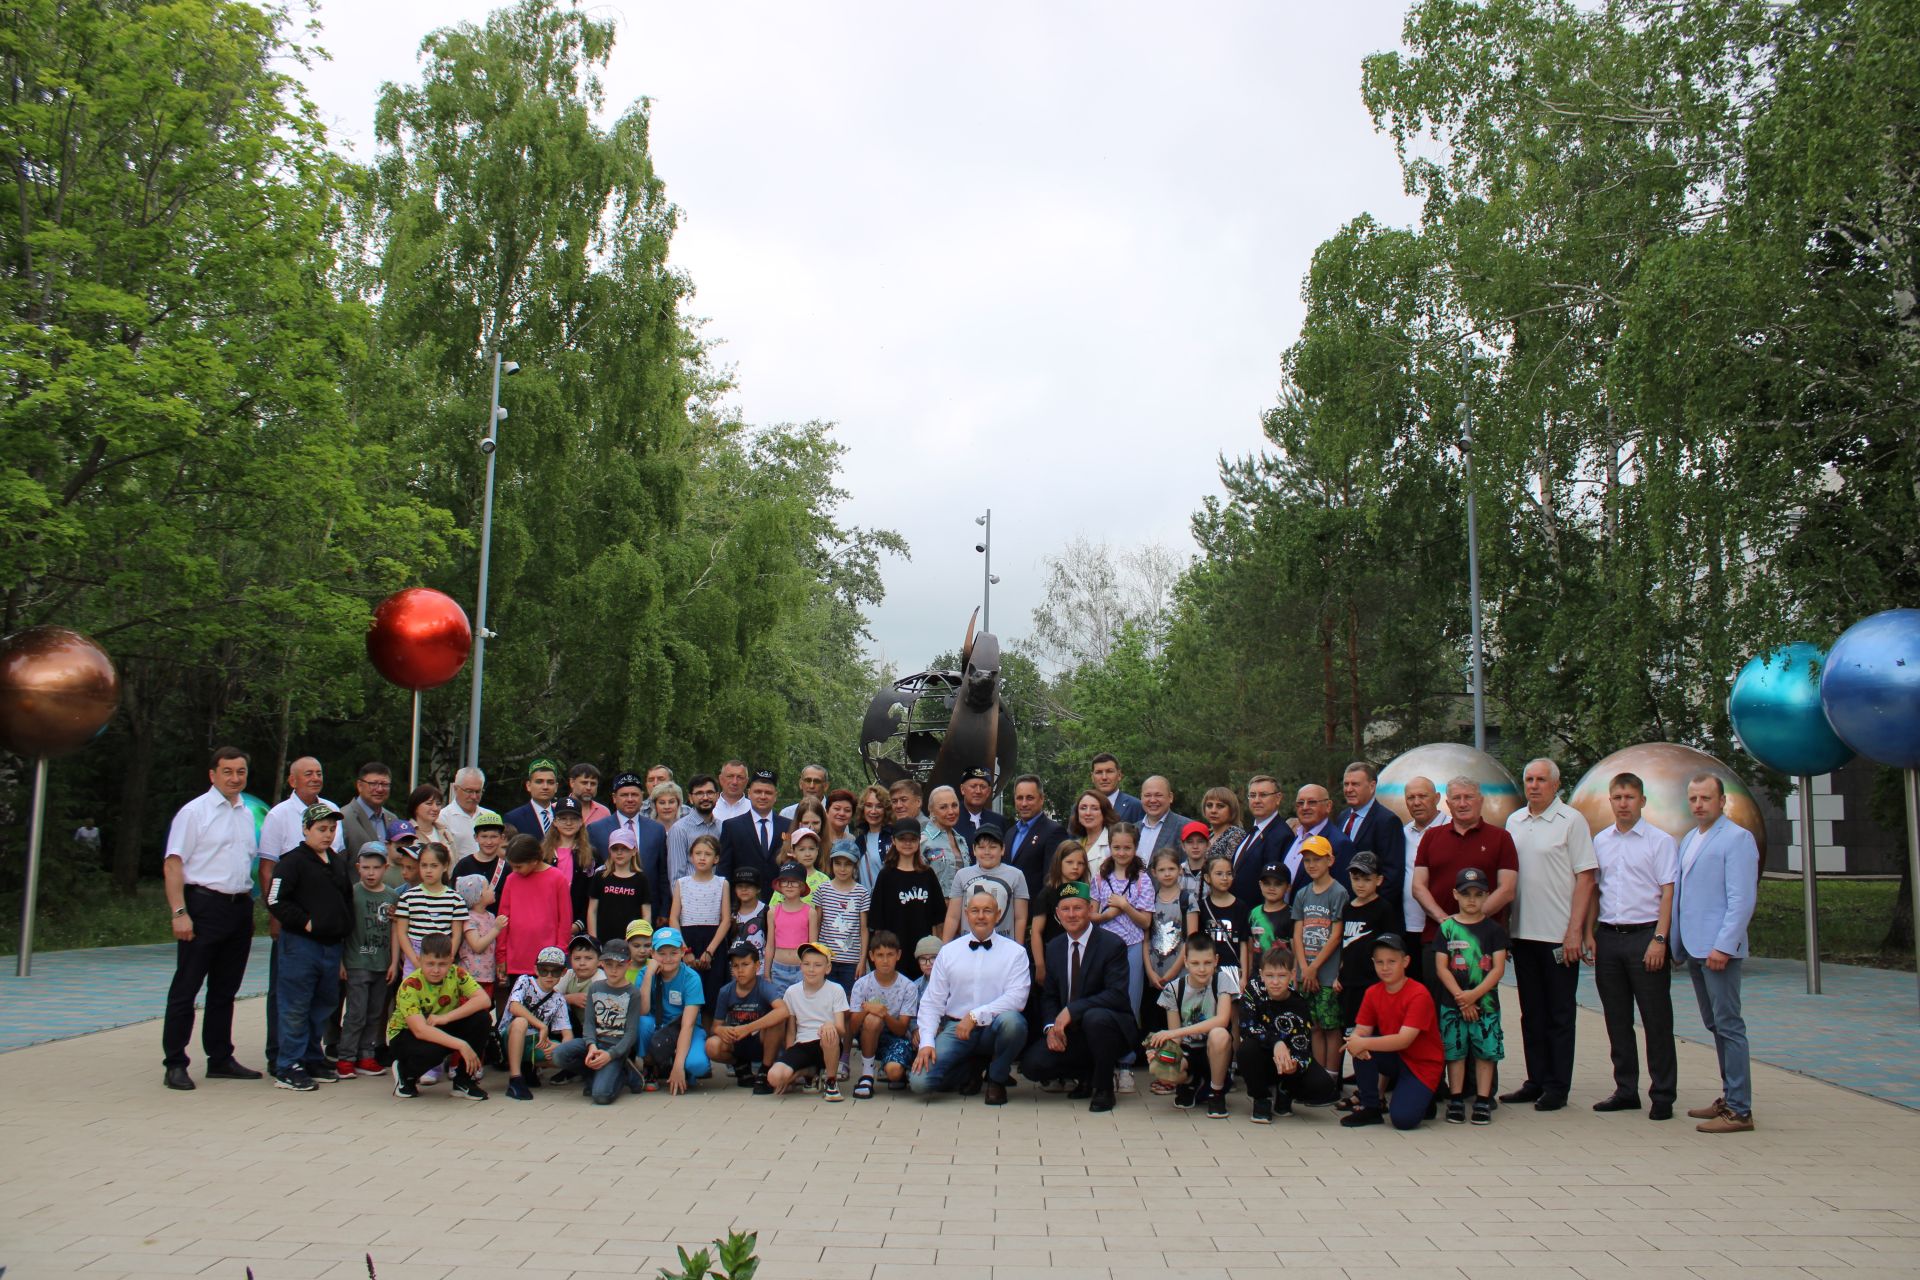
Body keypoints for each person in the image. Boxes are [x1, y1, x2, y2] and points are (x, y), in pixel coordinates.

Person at [161, 746, 265, 1091]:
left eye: (240, 771)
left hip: (237, 908)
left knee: (225, 989)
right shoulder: (195, 812)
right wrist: (180, 912)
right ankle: (175, 1062)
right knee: (186, 987)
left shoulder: (245, 813)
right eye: (228, 772)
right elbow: (173, 863)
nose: (235, 778)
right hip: (203, 906)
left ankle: (220, 1058)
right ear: (212, 775)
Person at [1504, 757, 1598, 1112]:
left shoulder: (1571, 821)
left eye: (1541, 779)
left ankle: (1558, 1086)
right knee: (1531, 1013)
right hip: (1523, 934)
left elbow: (1586, 878)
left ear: (1556, 785)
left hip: (1559, 935)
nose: (1533, 785)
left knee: (1560, 1014)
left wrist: (1575, 931)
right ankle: (1535, 1080)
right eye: (1529, 778)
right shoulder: (1515, 820)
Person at [1586, 771, 1679, 1121]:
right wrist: (1589, 933)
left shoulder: (1659, 841)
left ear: (1642, 801)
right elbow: (1595, 889)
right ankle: (1626, 1089)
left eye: (1629, 797)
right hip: (1610, 935)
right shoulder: (1601, 841)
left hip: (1646, 936)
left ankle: (1663, 1094)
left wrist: (1660, 938)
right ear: (1610, 801)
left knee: (1656, 1019)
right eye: (1617, 797)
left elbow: (1668, 892)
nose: (1623, 804)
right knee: (1617, 1019)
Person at [1674, 773, 1759, 1133]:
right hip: (1695, 947)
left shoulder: (1738, 839)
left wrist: (1724, 945)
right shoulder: (1691, 838)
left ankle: (1740, 1110)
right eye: (1693, 799)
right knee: (1715, 1024)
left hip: (1717, 949)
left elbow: (1742, 899)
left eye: (1706, 798)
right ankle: (1729, 1096)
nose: (1698, 805)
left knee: (1729, 1025)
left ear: (1721, 801)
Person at [255, 756, 343, 1075]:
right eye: (308, 773)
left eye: (319, 772)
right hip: (298, 935)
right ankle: (284, 1059)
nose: (315, 778)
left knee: (321, 1002)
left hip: (328, 941)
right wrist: (284, 918)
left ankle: (310, 1057)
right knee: (291, 998)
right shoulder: (281, 822)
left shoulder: (333, 856)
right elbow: (268, 870)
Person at [1020, 880, 1137, 1112]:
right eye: (1066, 909)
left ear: (1090, 909)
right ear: (1057, 914)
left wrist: (1073, 1010)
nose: (1072, 914)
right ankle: (1085, 1075)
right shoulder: (1054, 947)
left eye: (1078, 908)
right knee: (1032, 1066)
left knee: (1095, 1018)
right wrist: (1051, 1028)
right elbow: (1050, 996)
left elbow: (1116, 995)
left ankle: (1103, 1087)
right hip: (1071, 1030)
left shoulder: (1112, 945)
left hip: (1109, 1026)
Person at [911, 887, 1031, 1104]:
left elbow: (1017, 998)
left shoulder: (1015, 952)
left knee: (1014, 1023)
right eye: (975, 910)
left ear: (999, 914)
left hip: (995, 1027)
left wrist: (976, 1015)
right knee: (920, 1083)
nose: (981, 916)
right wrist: (927, 1042)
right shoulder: (949, 952)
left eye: (987, 910)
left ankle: (996, 1078)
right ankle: (970, 1068)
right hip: (956, 1029)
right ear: (966, 914)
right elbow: (932, 1001)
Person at [1412, 776, 1519, 1019]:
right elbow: (1418, 886)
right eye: (1457, 798)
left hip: (1483, 944)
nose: (1462, 803)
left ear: (1480, 801)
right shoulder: (1431, 837)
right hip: (1437, 939)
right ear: (1448, 804)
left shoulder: (1500, 838)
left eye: (1468, 797)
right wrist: (1448, 923)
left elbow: (1507, 889)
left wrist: (1470, 922)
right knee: (1438, 1016)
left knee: (1479, 1017)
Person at [265, 804, 353, 1092]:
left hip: (331, 947)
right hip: (301, 946)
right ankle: (287, 1064)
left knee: (323, 1004)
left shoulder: (337, 863)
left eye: (331, 829)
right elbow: (275, 899)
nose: (327, 835)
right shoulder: (292, 862)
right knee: (295, 1005)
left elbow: (346, 901)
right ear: (305, 830)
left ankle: (312, 1057)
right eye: (321, 829)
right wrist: (305, 922)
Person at [1338, 933, 1443, 1130]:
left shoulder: (1418, 994)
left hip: (1421, 1064)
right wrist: (1355, 1040)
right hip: (1396, 1058)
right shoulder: (1373, 992)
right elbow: (1362, 1029)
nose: (1385, 967)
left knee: (1403, 1121)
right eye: (1380, 962)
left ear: (1406, 961)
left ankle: (1425, 1097)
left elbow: (1404, 1040)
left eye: (1391, 961)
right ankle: (1371, 1107)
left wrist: (1362, 1042)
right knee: (1358, 1047)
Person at [1435, 867, 1509, 1126]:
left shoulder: (1494, 930)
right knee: (1455, 1051)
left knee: (1485, 1052)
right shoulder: (1447, 928)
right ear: (1455, 894)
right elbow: (1442, 967)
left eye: (1478, 894)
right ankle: (1455, 1098)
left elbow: (1498, 968)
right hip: (1453, 1003)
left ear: (1487, 896)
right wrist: (1460, 996)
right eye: (1466, 894)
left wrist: (1475, 995)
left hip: (1486, 1004)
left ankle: (1482, 1098)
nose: (1472, 900)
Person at [1238, 945, 1338, 1122]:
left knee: (1324, 1086)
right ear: (1261, 975)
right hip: (1262, 1055)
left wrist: (1294, 1066)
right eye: (1270, 976)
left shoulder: (1299, 1004)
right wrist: (1276, 1042)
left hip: (1287, 1060)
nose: (1275, 982)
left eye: (1281, 976)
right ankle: (1261, 1098)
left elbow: (1303, 1048)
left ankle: (1286, 1090)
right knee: (1246, 1049)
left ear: (1292, 975)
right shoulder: (1253, 990)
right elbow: (1247, 1027)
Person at [386, 933, 492, 1101]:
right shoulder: (410, 985)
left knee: (482, 1019)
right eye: (430, 964)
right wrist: (461, 1044)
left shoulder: (456, 973)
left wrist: (447, 1017)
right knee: (433, 1051)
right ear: (420, 959)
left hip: (438, 1024)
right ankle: (405, 1073)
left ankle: (463, 1081)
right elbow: (420, 1030)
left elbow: (483, 1000)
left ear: (451, 959)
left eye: (442, 964)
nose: (436, 970)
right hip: (405, 1035)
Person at [1148, 931, 1240, 1118]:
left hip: (1214, 1052)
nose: (1202, 969)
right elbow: (1177, 1037)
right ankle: (1189, 1081)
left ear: (1216, 960)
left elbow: (1222, 1019)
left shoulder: (1222, 980)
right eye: (1196, 963)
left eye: (1207, 963)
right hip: (1189, 1052)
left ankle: (1216, 1092)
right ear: (1186, 962)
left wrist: (1174, 1033)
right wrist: (1161, 1054)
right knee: (1159, 1066)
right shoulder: (1173, 989)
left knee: (1219, 1034)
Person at [1089, 823, 1153, 1090]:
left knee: (1130, 1005)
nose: (1122, 852)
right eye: (1117, 847)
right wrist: (1107, 915)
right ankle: (1105, 1062)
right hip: (1105, 948)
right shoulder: (1100, 877)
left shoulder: (1142, 879)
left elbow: (1146, 922)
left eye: (1127, 847)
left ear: (1135, 848)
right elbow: (1092, 914)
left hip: (1132, 947)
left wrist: (1125, 906)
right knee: (1104, 1004)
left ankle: (1126, 1064)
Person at [551, 937, 641, 1104]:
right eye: (609, 965)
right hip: (594, 1044)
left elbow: (630, 1034)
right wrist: (591, 1046)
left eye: (619, 965)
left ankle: (624, 1072)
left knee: (601, 1096)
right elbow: (590, 1023)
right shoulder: (596, 987)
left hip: (615, 1049)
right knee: (559, 1054)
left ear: (628, 964)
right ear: (602, 964)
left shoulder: (633, 993)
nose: (614, 970)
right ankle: (592, 1073)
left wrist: (610, 1054)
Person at [338, 844, 399, 1080]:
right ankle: (346, 1057)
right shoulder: (352, 894)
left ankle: (367, 1054)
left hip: (381, 964)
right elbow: (344, 929)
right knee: (356, 1012)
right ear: (358, 868)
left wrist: (394, 962)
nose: (371, 873)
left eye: (376, 868)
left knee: (375, 1013)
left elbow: (395, 930)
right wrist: (341, 961)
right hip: (357, 962)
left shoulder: (392, 896)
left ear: (385, 867)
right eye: (365, 868)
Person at [1290, 836, 1349, 1072]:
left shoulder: (1338, 892)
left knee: (1331, 1026)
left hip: (1326, 973)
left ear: (1330, 860)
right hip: (1307, 972)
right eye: (1307, 861)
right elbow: (1297, 934)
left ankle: (1331, 1075)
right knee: (1313, 1024)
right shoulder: (1303, 894)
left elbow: (1336, 936)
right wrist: (1304, 968)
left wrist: (1315, 968)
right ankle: (1317, 1074)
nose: (1312, 865)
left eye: (1317, 859)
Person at [763, 942, 850, 1100]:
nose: (811, 969)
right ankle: (810, 1072)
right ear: (800, 966)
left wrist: (830, 1026)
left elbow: (841, 1028)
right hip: (802, 1044)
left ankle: (831, 1082)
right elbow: (791, 1031)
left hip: (828, 1042)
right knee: (774, 1077)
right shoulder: (792, 992)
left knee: (828, 1033)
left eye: (817, 965)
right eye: (807, 964)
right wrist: (791, 1062)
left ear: (827, 968)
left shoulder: (836, 990)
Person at [494, 834, 573, 997]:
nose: (514, 870)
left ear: (534, 860)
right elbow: (503, 918)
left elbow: (564, 920)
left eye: (519, 866)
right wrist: (501, 955)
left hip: (546, 962)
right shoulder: (511, 879)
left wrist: (559, 953)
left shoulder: (557, 878)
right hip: (516, 959)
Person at [635, 926, 712, 1093]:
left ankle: (678, 1065)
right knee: (641, 1022)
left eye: (673, 952)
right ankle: (650, 1065)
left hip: (683, 1028)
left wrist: (678, 1066)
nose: (668, 958)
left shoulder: (691, 978)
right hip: (657, 1026)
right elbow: (642, 1010)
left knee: (697, 1065)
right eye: (661, 953)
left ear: (683, 952)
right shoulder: (645, 973)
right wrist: (649, 975)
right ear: (652, 954)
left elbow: (688, 1025)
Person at [1334, 851, 1398, 1045]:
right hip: (1349, 982)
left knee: (1373, 1033)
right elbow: (1344, 945)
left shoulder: (1383, 908)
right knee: (1351, 1033)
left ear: (1378, 880)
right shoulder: (1348, 908)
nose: (1360, 884)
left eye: (1366, 879)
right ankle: (1357, 1074)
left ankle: (1375, 1075)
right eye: (1356, 878)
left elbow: (1391, 946)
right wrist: (1339, 973)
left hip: (1372, 982)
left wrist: (1387, 979)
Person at [588, 772, 670, 921]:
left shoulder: (657, 830)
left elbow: (662, 873)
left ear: (642, 797)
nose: (630, 799)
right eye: (624, 795)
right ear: (614, 798)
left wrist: (664, 911)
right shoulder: (596, 830)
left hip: (648, 909)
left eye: (635, 794)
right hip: (609, 909)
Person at [848, 931, 920, 1097]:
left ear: (898, 955)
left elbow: (902, 1030)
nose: (885, 960)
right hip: (869, 1034)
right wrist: (867, 1009)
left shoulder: (908, 987)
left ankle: (900, 1070)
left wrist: (884, 1014)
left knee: (894, 1073)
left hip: (896, 1037)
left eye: (890, 955)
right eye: (880, 955)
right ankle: (867, 1074)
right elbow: (852, 1027)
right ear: (871, 956)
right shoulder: (862, 984)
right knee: (872, 1020)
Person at [870, 828, 947, 979]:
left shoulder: (927, 874)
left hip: (924, 951)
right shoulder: (886, 875)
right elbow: (877, 922)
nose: (907, 843)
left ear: (919, 842)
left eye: (912, 839)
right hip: (894, 950)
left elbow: (939, 920)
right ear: (893, 841)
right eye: (902, 839)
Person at [1142, 847, 1189, 1088]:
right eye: (1162, 869)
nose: (1167, 873)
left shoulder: (1186, 899)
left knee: (1175, 1026)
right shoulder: (1150, 900)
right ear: (1154, 872)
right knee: (1156, 1025)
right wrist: (1150, 971)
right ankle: (1160, 1072)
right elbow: (1146, 938)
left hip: (1178, 973)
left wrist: (1173, 972)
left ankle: (1175, 1074)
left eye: (1172, 868)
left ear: (1180, 870)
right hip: (1155, 973)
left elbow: (1189, 940)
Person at [501, 946, 574, 1100]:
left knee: (565, 1053)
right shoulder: (525, 981)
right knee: (521, 1022)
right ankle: (515, 1078)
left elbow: (568, 1035)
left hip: (535, 1042)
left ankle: (529, 1067)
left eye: (555, 971)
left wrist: (561, 1046)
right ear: (535, 969)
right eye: (543, 970)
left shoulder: (558, 999)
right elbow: (514, 1006)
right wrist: (541, 1025)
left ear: (563, 972)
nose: (549, 975)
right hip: (510, 1036)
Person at [1337, 762, 1407, 920]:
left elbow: (1392, 874)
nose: (1348, 789)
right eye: (1346, 784)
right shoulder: (1343, 817)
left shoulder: (1387, 821)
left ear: (1372, 785)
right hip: (1346, 909)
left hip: (1373, 914)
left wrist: (1370, 910)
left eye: (1355, 784)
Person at [708, 940, 782, 1089]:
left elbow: (783, 1010)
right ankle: (740, 1065)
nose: (740, 970)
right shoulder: (726, 991)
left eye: (745, 964)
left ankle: (764, 1070)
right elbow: (715, 1026)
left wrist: (748, 1028)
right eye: (735, 966)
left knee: (778, 1021)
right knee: (711, 1045)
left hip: (760, 1040)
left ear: (757, 966)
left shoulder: (764, 987)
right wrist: (721, 1030)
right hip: (737, 1039)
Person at [669, 833, 730, 1007]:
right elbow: (674, 918)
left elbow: (725, 920)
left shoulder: (722, 883)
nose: (702, 858)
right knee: (686, 992)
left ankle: (710, 1031)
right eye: (698, 853)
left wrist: (710, 952)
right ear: (691, 857)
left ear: (716, 858)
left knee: (712, 994)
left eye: (708, 854)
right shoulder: (682, 883)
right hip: (687, 940)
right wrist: (685, 950)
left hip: (713, 942)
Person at [945, 826, 1028, 943]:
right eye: (981, 847)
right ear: (974, 849)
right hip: (968, 942)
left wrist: (1019, 948)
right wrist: (944, 948)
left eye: (993, 847)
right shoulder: (961, 875)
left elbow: (1020, 917)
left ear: (1002, 849)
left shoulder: (1016, 875)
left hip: (1003, 943)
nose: (987, 852)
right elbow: (953, 916)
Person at [395, 844, 467, 978]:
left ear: (445, 866)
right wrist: (414, 960)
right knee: (413, 996)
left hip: (442, 958)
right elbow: (402, 932)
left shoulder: (455, 899)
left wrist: (447, 959)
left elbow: (457, 935)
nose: (428, 870)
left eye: (434, 866)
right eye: (424, 865)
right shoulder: (408, 898)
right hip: (415, 956)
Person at [813, 843, 871, 992]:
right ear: (831, 863)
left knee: (849, 1001)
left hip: (851, 961)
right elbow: (817, 924)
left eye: (848, 864)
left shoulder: (861, 893)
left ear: (855, 866)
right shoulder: (823, 890)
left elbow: (863, 929)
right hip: (826, 958)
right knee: (825, 998)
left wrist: (862, 960)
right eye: (838, 864)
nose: (842, 869)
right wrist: (815, 954)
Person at [1283, 783, 1356, 894]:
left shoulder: (1339, 844)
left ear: (1328, 806)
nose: (1305, 807)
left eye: (1312, 802)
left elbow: (1344, 894)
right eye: (1300, 803)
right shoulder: (1293, 838)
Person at [719, 768, 787, 887]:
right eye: (758, 792)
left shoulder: (788, 826)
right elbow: (724, 870)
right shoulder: (732, 827)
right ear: (749, 793)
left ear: (776, 796)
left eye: (768, 793)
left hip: (780, 901)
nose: (763, 796)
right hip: (743, 900)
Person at [1029, 841, 1090, 974]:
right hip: (1053, 957)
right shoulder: (1047, 894)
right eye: (1069, 862)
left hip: (1082, 956)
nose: (1075, 867)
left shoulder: (1087, 892)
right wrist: (1040, 965)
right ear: (1059, 863)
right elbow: (1036, 931)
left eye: (1080, 863)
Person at [1004, 774, 1068, 899]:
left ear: (1042, 799)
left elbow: (1052, 879)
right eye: (1019, 798)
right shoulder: (1010, 833)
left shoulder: (1054, 832)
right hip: (1009, 910)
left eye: (1030, 798)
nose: (1024, 803)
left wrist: (1040, 914)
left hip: (1036, 912)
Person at [1229, 775, 1289, 902]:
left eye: (1263, 795)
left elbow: (1273, 881)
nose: (1256, 800)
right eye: (1252, 795)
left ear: (1278, 798)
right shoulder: (1252, 832)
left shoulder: (1281, 835)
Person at [1191, 853, 1251, 980]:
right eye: (1219, 874)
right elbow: (1196, 944)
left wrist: (1244, 977)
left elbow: (1243, 944)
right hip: (1207, 971)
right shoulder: (1201, 907)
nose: (1225, 878)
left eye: (1229, 874)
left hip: (1233, 971)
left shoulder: (1241, 907)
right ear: (1207, 877)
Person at [587, 828, 651, 944]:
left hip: (631, 941)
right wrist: (593, 940)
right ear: (609, 851)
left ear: (634, 851)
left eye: (625, 848)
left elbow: (646, 914)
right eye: (615, 849)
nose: (619, 853)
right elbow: (592, 911)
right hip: (603, 940)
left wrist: (638, 940)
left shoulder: (641, 879)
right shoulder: (600, 877)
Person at [1398, 776, 1443, 936]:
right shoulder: (1402, 833)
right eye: (1411, 797)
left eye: (1423, 796)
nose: (1416, 802)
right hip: (1408, 926)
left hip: (1442, 924)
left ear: (1437, 798)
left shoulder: (1451, 829)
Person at [765, 862, 814, 991]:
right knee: (781, 1008)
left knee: (800, 1008)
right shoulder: (773, 912)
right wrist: (766, 973)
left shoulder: (810, 912)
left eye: (794, 882)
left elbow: (813, 946)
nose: (789, 885)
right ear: (780, 885)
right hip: (778, 969)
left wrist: (811, 970)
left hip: (801, 970)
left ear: (802, 886)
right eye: (785, 881)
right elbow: (770, 945)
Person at [666, 774, 722, 885]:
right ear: (691, 798)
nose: (705, 797)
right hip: (689, 898)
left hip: (717, 897)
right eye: (699, 793)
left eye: (710, 792)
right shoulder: (680, 830)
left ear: (717, 796)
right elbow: (676, 877)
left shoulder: (722, 827)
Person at [339, 762, 397, 863]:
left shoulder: (393, 820)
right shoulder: (343, 818)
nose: (379, 789)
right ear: (359, 785)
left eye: (384, 784)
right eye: (373, 784)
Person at [455, 873, 502, 998]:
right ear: (478, 895)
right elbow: (477, 946)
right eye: (488, 888)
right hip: (470, 977)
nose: (492, 889)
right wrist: (496, 929)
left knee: (483, 1011)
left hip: (488, 976)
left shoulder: (491, 916)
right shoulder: (469, 918)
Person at [921, 785, 971, 897]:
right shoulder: (924, 841)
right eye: (943, 807)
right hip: (934, 909)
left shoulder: (961, 840)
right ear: (932, 810)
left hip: (962, 907)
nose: (951, 811)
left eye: (954, 805)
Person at [451, 808, 509, 901]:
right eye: (484, 837)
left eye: (494, 837)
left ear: (502, 838)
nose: (489, 842)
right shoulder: (463, 865)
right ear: (476, 837)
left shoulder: (506, 868)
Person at [501, 758, 561, 840]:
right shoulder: (513, 818)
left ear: (556, 787)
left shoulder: (562, 815)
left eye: (550, 782)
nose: (545, 787)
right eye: (539, 782)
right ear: (528, 785)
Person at [849, 785, 893, 889]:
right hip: (864, 903)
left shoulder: (894, 838)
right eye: (869, 805)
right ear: (863, 809)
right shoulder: (859, 841)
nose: (873, 811)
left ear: (886, 809)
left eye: (879, 806)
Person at [442, 766, 487, 862]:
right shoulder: (443, 818)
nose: (474, 796)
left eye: (478, 791)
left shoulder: (490, 816)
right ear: (455, 788)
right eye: (469, 791)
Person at [1066, 790, 1114, 875]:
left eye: (1094, 808)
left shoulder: (1113, 844)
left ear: (1104, 813)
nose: (1088, 813)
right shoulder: (1074, 845)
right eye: (1083, 808)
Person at [1089, 752, 1145, 823]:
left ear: (1119, 775)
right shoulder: (1081, 808)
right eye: (1099, 772)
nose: (1104, 777)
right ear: (1092, 777)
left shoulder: (1135, 806)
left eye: (1109, 771)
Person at [954, 767, 1005, 843]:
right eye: (973, 786)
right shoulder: (951, 819)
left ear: (988, 792)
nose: (978, 791)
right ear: (962, 789)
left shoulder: (999, 822)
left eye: (983, 787)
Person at [1199, 786, 1246, 869]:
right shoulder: (1209, 836)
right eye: (1209, 805)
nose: (1213, 810)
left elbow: (1230, 870)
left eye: (1220, 806)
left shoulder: (1236, 835)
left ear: (1232, 809)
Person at [404, 784, 456, 854]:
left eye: (438, 804)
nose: (435, 808)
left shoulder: (445, 833)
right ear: (415, 806)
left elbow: (454, 862)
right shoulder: (405, 832)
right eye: (429, 803)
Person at [731, 864, 768, 960]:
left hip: (761, 968)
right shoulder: (731, 913)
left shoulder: (767, 911)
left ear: (758, 889)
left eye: (749, 886)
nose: (744, 889)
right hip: (735, 968)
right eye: (740, 886)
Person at [1178, 820, 1213, 898]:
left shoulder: (1214, 871)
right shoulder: (1177, 872)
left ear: (1208, 845)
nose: (1195, 846)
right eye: (1190, 842)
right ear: (1183, 846)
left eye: (1200, 841)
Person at [713, 759, 753, 824]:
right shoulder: (709, 808)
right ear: (721, 779)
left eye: (740, 777)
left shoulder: (754, 809)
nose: (735, 782)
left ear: (746, 781)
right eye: (730, 776)